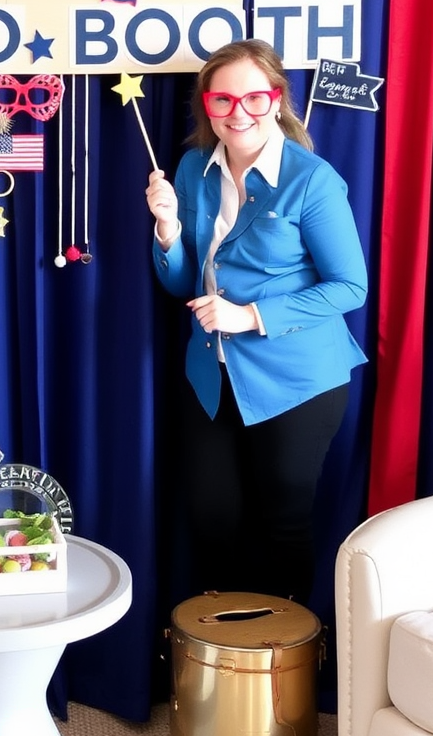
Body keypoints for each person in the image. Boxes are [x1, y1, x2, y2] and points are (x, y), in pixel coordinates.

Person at [145, 39, 367, 606]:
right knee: (213, 521)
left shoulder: (312, 180)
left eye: (254, 97)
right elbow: (182, 285)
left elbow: (350, 288)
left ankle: (279, 673)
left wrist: (251, 315)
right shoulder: (194, 168)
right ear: (207, 106)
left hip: (298, 380)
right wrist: (167, 230)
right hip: (211, 376)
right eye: (223, 100)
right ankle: (227, 667)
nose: (238, 112)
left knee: (283, 525)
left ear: (276, 99)